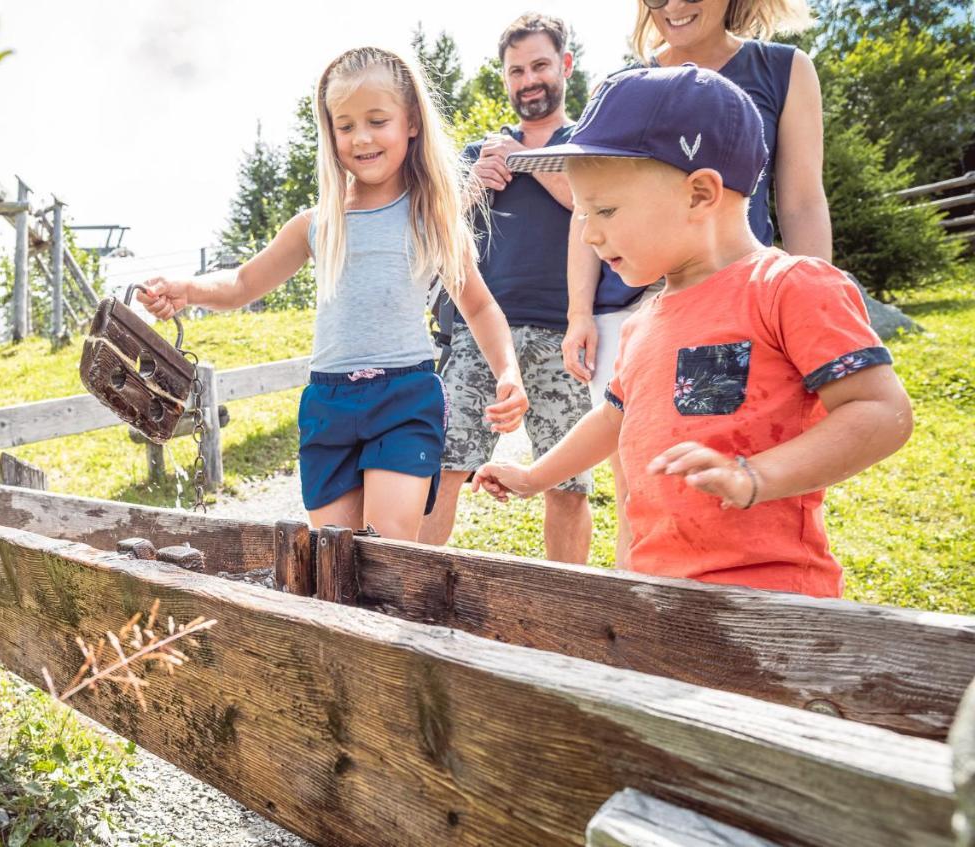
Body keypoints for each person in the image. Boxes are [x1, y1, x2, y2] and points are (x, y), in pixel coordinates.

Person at [475, 66, 911, 597]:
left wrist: (754, 477)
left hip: (769, 596)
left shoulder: (788, 286)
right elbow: (613, 419)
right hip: (658, 589)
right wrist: (534, 476)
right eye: (584, 212)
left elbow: (881, 413)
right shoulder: (643, 322)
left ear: (700, 193)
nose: (589, 233)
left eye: (605, 209)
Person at [138, 46, 528, 542]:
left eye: (377, 120)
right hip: (328, 403)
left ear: (410, 122)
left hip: (403, 397)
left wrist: (508, 372)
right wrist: (185, 289)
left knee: (385, 546)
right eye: (345, 126)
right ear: (330, 133)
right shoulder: (317, 225)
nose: (361, 137)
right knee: (334, 560)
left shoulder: (430, 217)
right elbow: (241, 284)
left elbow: (479, 305)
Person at [559, 0, 833, 565]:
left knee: (732, 448)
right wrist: (579, 311)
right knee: (647, 471)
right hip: (643, 305)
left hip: (744, 310)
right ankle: (646, 589)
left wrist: (814, 312)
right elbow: (585, 210)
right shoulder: (623, 85)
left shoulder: (781, 69)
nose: (674, 6)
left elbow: (803, 199)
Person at [418, 14, 638, 563]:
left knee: (568, 483)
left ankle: (566, 605)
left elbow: (586, 205)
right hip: (479, 332)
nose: (528, 79)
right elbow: (434, 235)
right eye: (516, 70)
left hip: (564, 335)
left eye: (540, 65)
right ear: (505, 79)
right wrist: (474, 185)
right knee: (446, 464)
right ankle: (411, 592)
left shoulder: (587, 144)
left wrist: (524, 163)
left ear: (565, 66)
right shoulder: (479, 151)